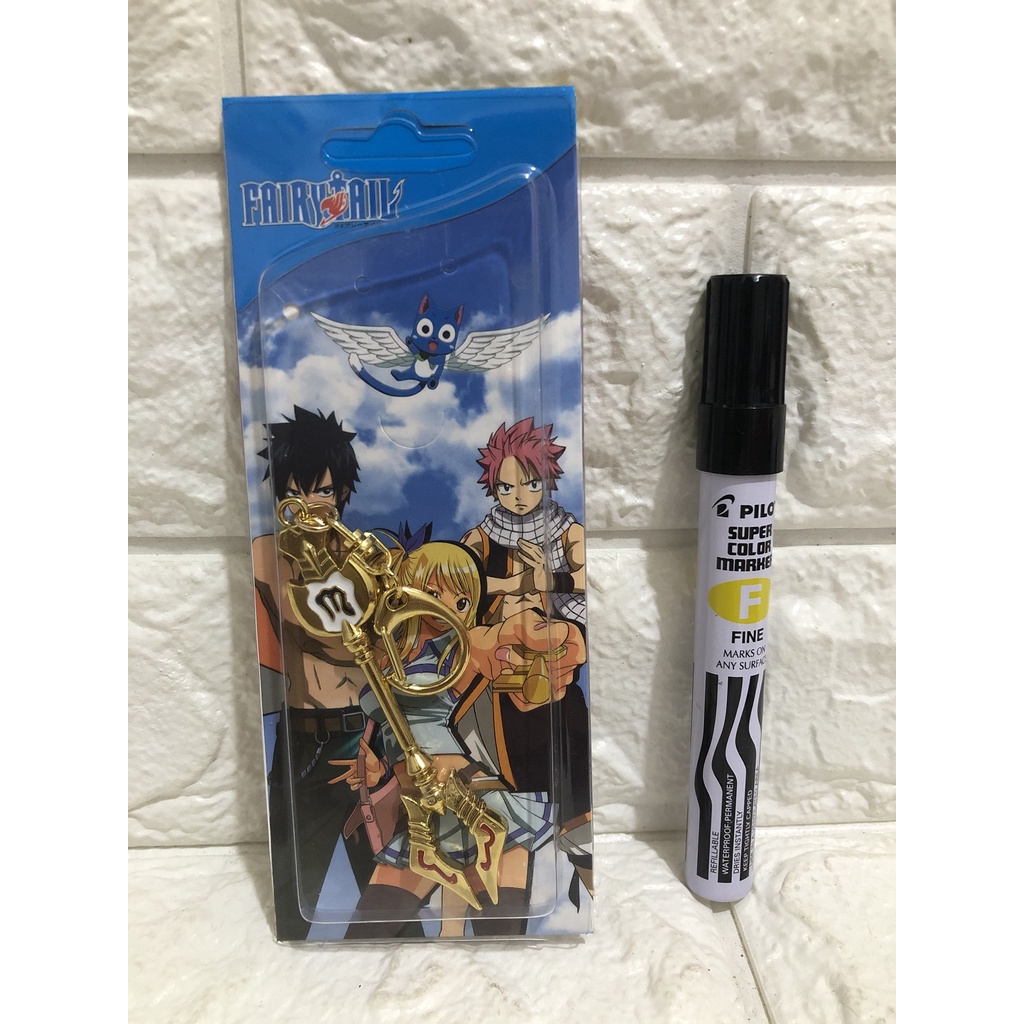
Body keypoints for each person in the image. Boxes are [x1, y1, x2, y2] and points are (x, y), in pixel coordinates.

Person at [344, 540, 586, 938]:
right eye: (433, 592)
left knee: (500, 938)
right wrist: (378, 769)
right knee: (367, 930)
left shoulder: (460, 648)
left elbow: (502, 639)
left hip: (476, 801)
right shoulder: (387, 652)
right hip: (423, 812)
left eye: (461, 601)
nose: (446, 607)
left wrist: (555, 638)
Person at [252, 406, 407, 939]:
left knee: (395, 897)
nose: (310, 504)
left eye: (322, 490)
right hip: (302, 740)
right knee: (293, 894)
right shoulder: (269, 554)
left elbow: (383, 646)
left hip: (362, 736)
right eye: (296, 491)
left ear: (341, 491)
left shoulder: (366, 556)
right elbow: (312, 630)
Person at [461, 417, 594, 903]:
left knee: (575, 805)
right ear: (493, 486)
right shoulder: (480, 540)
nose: (519, 496)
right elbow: (458, 586)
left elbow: (587, 581)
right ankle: (507, 905)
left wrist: (548, 582)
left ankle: (581, 878)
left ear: (548, 479)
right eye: (507, 486)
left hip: (557, 685)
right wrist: (515, 585)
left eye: (531, 483)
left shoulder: (567, 532)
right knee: (506, 817)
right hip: (499, 696)